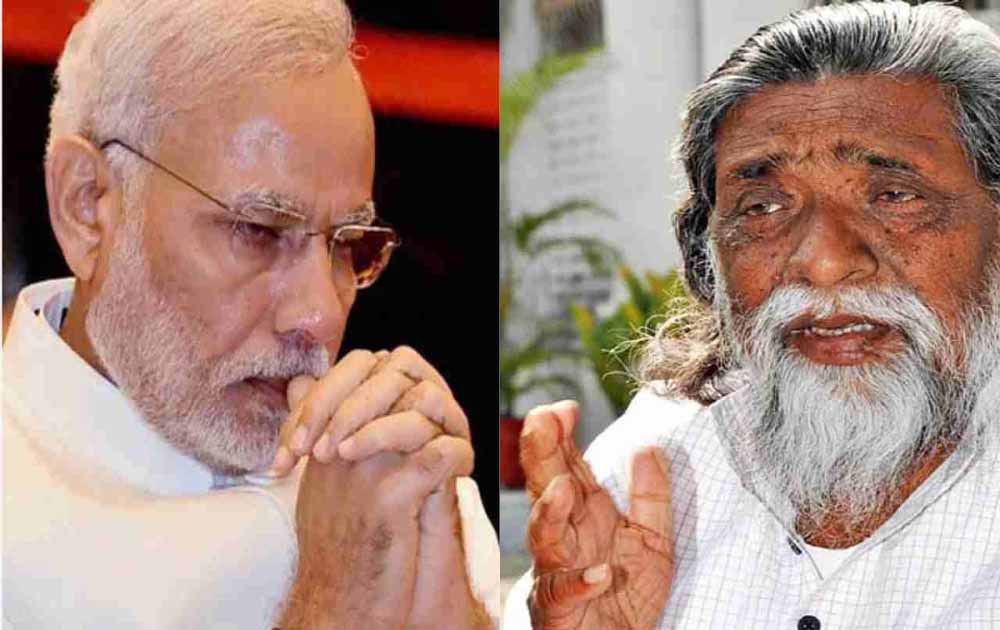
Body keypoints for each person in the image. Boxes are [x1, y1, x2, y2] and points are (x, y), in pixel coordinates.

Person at [3, 1, 498, 628]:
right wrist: (334, 606)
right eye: (257, 231)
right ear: (87, 205)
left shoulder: (397, 478)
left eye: (348, 244)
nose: (320, 316)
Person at [504, 2, 1000, 628]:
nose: (822, 261)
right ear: (708, 255)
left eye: (894, 196)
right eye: (763, 206)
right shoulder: (655, 463)